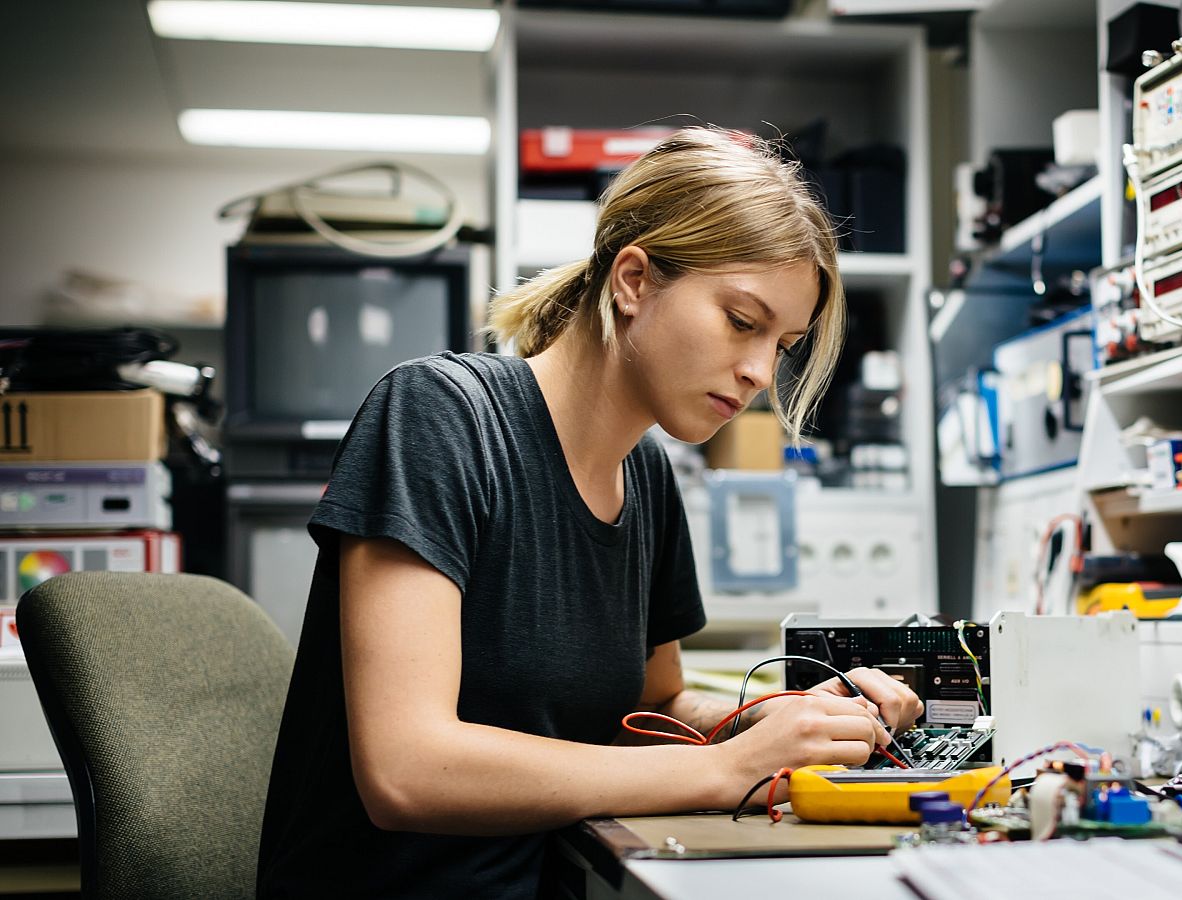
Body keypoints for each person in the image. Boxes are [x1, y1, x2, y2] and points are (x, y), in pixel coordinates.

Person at [256, 127, 924, 897]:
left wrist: (789, 721)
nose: (758, 373)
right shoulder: (439, 417)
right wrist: (723, 769)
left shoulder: (646, 473)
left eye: (784, 345)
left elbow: (651, 704)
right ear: (633, 280)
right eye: (743, 322)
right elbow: (407, 770)